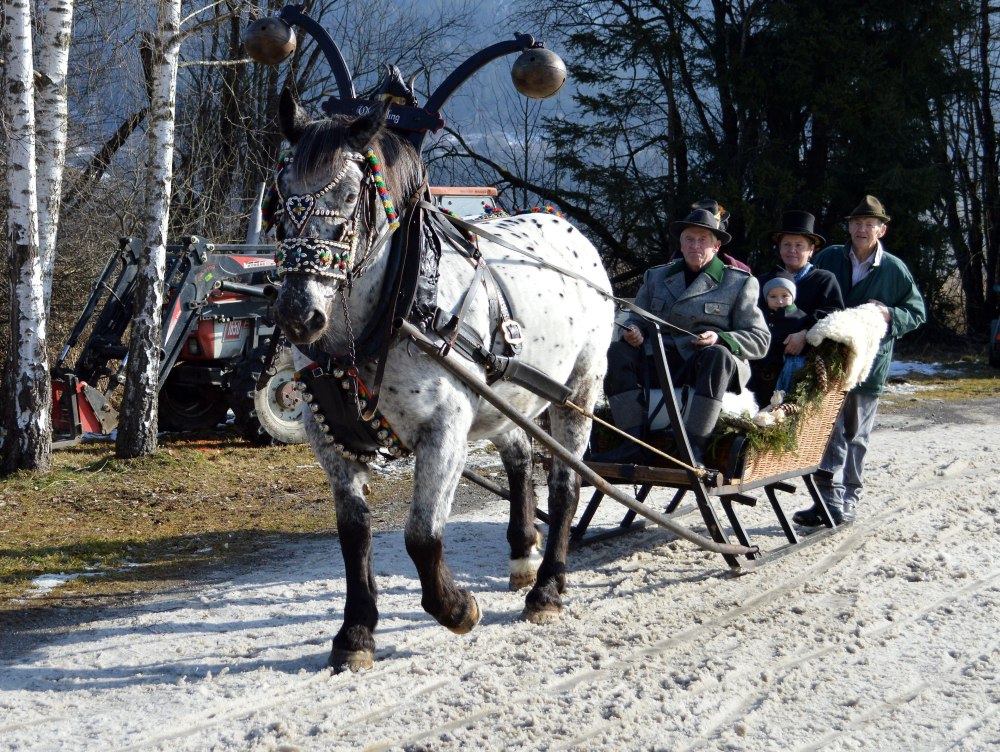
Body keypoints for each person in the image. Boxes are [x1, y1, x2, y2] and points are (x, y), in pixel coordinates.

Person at [599, 207, 770, 465]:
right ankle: (631, 443)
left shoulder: (738, 282)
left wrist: (720, 338)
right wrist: (633, 332)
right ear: (681, 244)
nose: (695, 245)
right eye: (689, 239)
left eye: (703, 240)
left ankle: (692, 448)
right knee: (618, 351)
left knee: (717, 355)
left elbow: (760, 339)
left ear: (716, 246)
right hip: (660, 360)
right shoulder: (656, 276)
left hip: (708, 366)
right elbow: (637, 319)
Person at [793, 195, 926, 527]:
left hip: (867, 367)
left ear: (881, 230)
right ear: (849, 227)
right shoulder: (829, 257)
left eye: (869, 224)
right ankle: (825, 502)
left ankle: (849, 499)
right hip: (826, 364)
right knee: (825, 432)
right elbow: (808, 291)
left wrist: (889, 313)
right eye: (857, 223)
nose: (862, 229)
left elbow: (917, 312)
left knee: (855, 436)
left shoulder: (894, 269)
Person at [749, 275, 809, 406]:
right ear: (766, 298)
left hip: (783, 368)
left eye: (785, 296)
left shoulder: (800, 317)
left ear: (793, 296)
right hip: (759, 368)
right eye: (773, 296)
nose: (780, 301)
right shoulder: (761, 315)